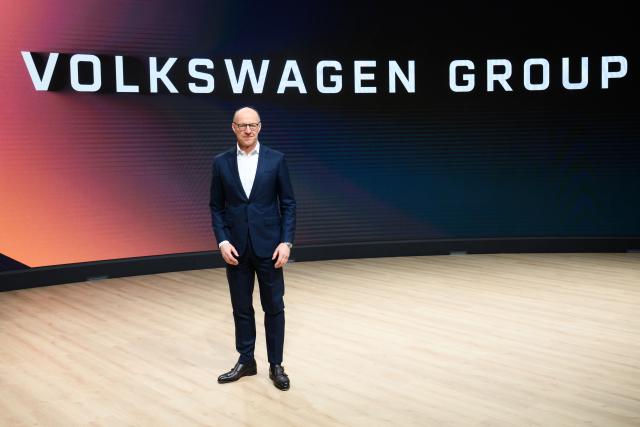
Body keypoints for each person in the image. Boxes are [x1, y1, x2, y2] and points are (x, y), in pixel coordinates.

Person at [209, 106, 296, 391]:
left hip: (270, 248)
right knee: (241, 308)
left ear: (260, 127)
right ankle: (246, 360)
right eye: (242, 125)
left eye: (253, 125)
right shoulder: (221, 163)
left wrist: (286, 242)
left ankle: (276, 365)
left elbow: (288, 204)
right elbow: (216, 207)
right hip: (236, 248)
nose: (248, 130)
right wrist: (222, 240)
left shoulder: (276, 159)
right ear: (233, 127)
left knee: (274, 307)